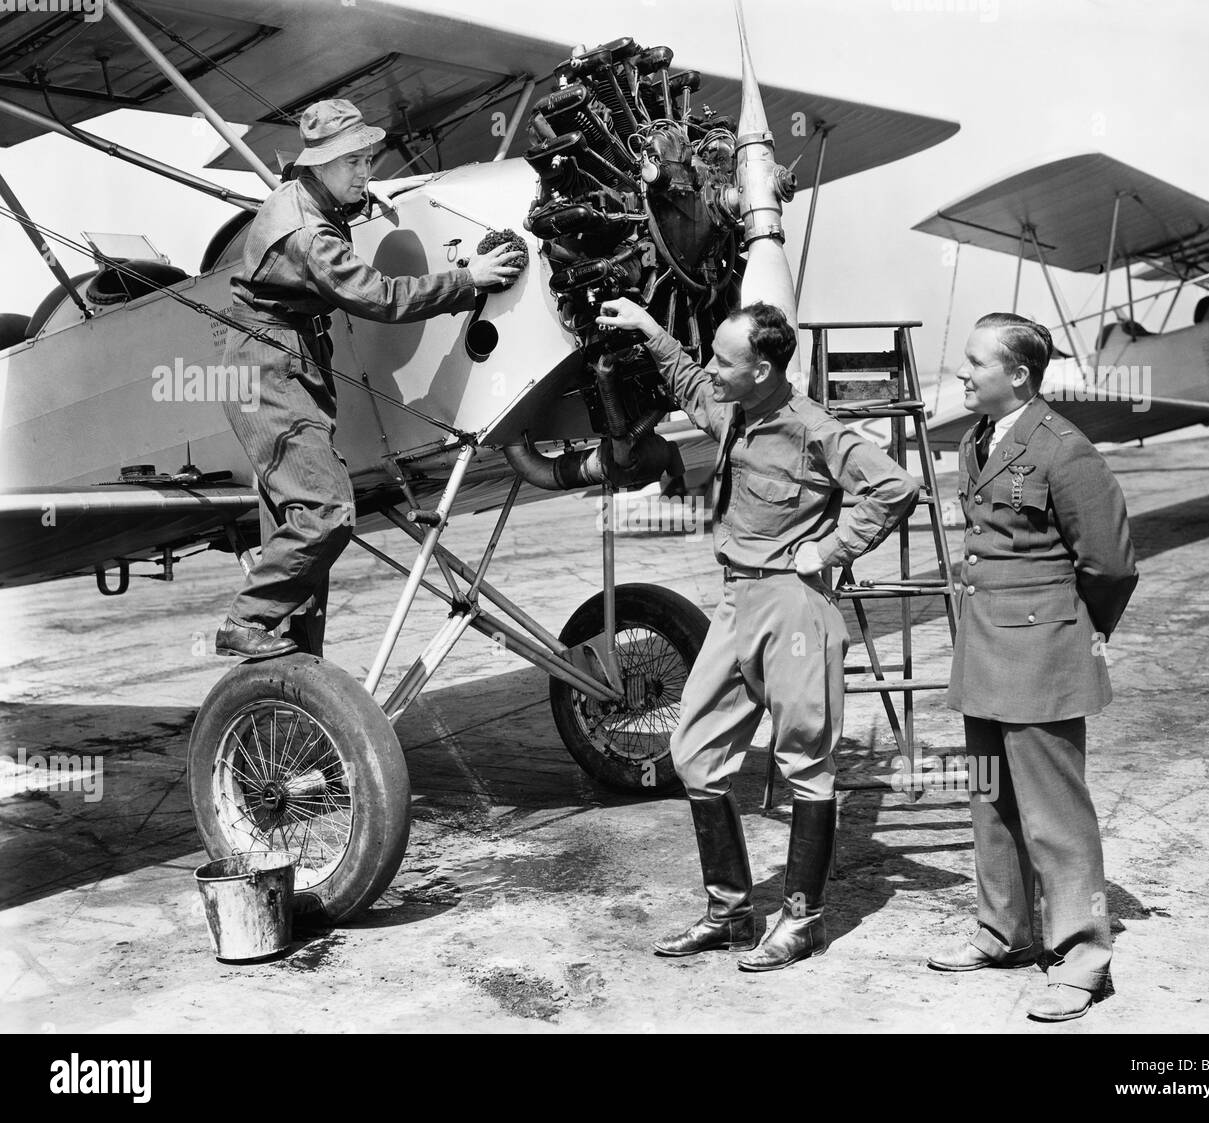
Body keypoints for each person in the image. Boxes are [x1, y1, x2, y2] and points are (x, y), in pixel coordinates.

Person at [596, 297, 920, 971]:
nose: (713, 369)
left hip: (793, 606)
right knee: (693, 753)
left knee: (805, 762)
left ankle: (802, 919)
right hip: (736, 602)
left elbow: (893, 487)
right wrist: (650, 329)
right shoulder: (733, 410)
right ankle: (732, 912)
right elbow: (690, 382)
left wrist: (830, 549)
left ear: (765, 368)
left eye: (726, 359)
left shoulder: (814, 430)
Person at [215, 99, 522, 660]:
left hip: (282, 359)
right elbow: (379, 297)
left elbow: (315, 206)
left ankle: (296, 674)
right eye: (354, 163)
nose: (366, 172)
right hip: (269, 368)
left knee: (302, 522)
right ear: (321, 164)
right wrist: (467, 278)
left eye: (368, 160)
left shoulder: (304, 194)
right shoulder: (309, 235)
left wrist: (355, 198)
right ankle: (245, 621)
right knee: (326, 512)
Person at [927, 313, 1139, 1022]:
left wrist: (1080, 631)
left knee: (1056, 815)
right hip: (986, 649)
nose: (962, 371)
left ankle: (1083, 955)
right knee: (990, 802)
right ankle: (1005, 931)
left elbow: (1108, 561)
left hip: (1043, 653)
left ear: (1018, 374)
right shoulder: (977, 439)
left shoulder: (1064, 449)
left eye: (974, 362)